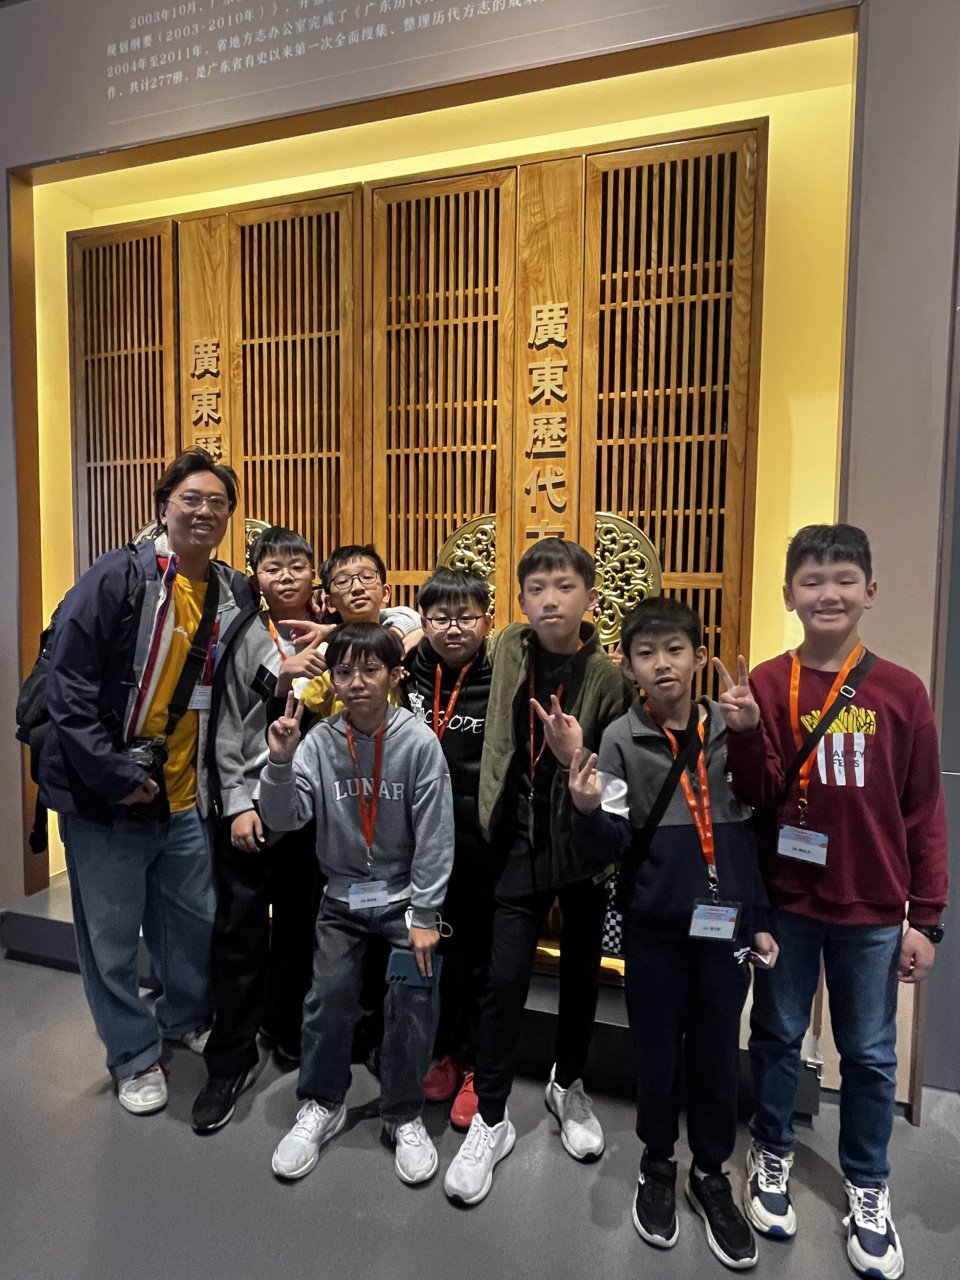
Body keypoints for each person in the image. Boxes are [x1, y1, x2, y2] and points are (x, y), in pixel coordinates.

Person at [724, 524, 949, 1280]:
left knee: (871, 1054)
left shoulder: (902, 691)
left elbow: (923, 810)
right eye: (812, 580)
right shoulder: (766, 682)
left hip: (874, 910)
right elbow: (757, 793)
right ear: (788, 595)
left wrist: (928, 918)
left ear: (870, 593)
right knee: (778, 1035)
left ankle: (868, 1184)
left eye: (844, 579)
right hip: (787, 902)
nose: (828, 593)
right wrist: (746, 734)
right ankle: (772, 1153)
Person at [39, 448, 258, 1115]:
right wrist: (112, 774)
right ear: (164, 506)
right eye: (191, 499)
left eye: (217, 502)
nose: (204, 511)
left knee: (190, 924)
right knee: (110, 939)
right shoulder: (118, 578)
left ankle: (182, 1017)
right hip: (107, 799)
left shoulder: (232, 590)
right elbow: (68, 686)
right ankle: (132, 1054)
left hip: (185, 796)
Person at [568, 597, 778, 1270]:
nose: (662, 664)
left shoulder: (732, 725)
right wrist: (585, 809)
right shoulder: (621, 739)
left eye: (675, 650)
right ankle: (658, 1163)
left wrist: (759, 919)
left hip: (726, 930)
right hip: (655, 928)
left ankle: (710, 1174)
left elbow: (757, 822)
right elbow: (610, 842)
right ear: (628, 665)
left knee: (717, 1054)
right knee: (656, 1054)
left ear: (698, 656)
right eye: (647, 653)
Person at [444, 537, 635, 1206]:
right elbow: (435, 640)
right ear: (520, 600)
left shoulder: (608, 677)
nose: (550, 599)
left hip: (580, 847)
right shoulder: (506, 647)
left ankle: (567, 1083)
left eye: (564, 586)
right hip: (516, 842)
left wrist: (577, 757)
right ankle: (492, 1116)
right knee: (503, 981)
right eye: (536, 589)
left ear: (590, 597)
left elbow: (619, 778)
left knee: (581, 976)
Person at [259, 622, 455, 1186]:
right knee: (327, 999)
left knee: (413, 1002)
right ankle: (323, 1102)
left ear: (395, 675)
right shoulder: (319, 742)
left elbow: (435, 835)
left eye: (371, 669)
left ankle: (403, 1113)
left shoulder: (418, 742)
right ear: (334, 680)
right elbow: (284, 818)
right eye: (345, 671)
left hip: (405, 901)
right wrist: (278, 763)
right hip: (342, 897)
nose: (357, 681)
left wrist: (425, 914)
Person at [190, 526, 325, 1134]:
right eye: (274, 567)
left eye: (298, 565)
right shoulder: (241, 632)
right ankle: (231, 1059)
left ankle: (289, 1029)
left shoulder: (333, 629)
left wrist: (332, 638)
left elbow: (401, 628)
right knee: (239, 933)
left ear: (314, 574)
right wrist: (238, 804)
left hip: (314, 811)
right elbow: (224, 729)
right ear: (256, 578)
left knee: (301, 928)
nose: (287, 576)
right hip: (252, 807)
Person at [406, 567, 494, 1129]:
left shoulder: (500, 676)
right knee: (432, 954)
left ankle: (475, 1065)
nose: (453, 628)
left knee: (477, 958)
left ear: (487, 621)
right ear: (424, 620)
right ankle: (440, 1051)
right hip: (415, 838)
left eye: (466, 617)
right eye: (440, 617)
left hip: (477, 842)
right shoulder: (406, 670)